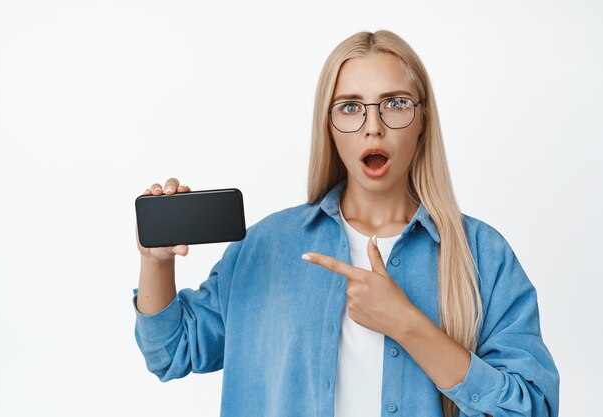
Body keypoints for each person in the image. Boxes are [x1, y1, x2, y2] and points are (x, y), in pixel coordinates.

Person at [132, 30, 560, 417]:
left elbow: (532, 408)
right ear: (330, 126)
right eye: (351, 107)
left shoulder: (481, 255)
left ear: (424, 120)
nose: (373, 127)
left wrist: (405, 323)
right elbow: (171, 351)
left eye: (395, 103)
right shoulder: (268, 245)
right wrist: (156, 262)